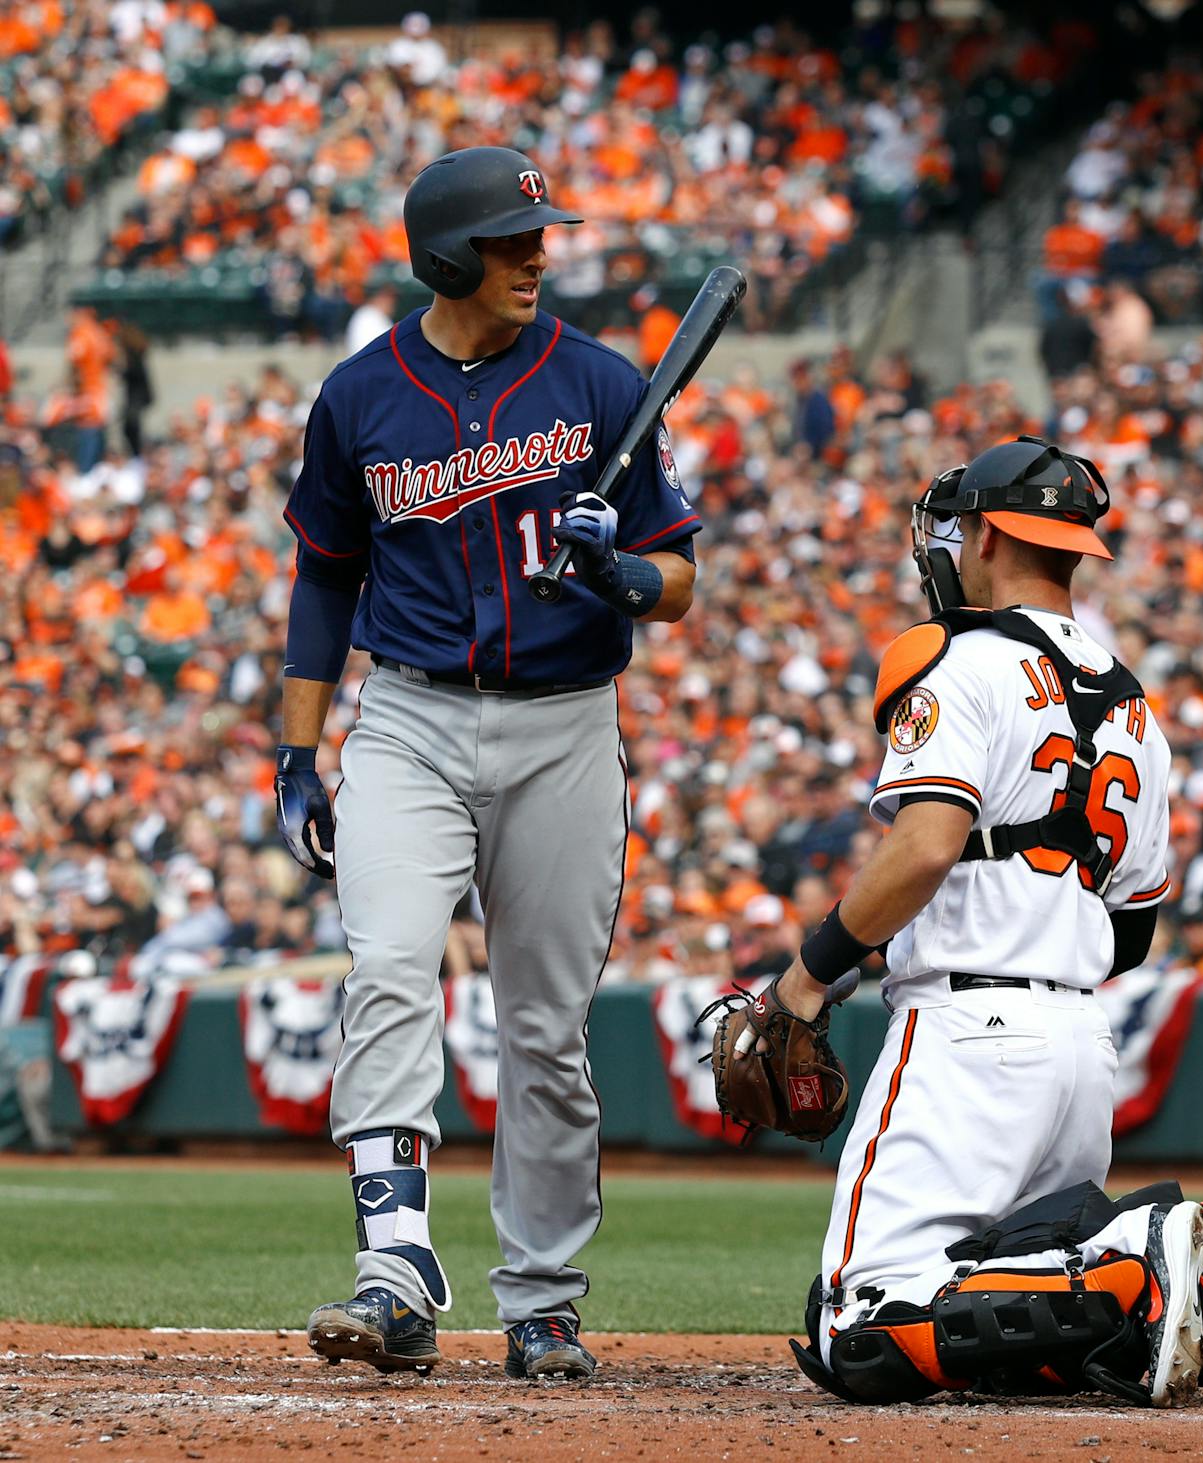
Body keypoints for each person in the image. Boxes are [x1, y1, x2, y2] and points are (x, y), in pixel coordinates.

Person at [279, 146, 702, 1381]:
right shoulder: (360, 396)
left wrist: (623, 572)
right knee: (393, 960)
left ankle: (544, 1296)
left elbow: (681, 575)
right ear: (449, 253)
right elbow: (322, 575)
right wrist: (297, 751)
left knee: (545, 1030)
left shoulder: (602, 383)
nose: (540, 255)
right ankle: (396, 1260)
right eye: (515, 240)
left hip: (565, 720)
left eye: (539, 237)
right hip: (407, 716)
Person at [773, 438, 1203, 1408]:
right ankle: (1198, 1300)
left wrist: (808, 974)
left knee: (858, 1322)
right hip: (1080, 1044)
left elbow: (927, 844)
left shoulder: (959, 661)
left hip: (968, 1031)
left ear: (984, 533)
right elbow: (1134, 926)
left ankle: (1135, 1262)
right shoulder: (1137, 704)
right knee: (1003, 1314)